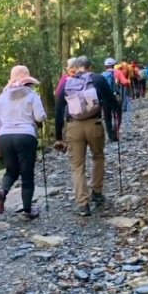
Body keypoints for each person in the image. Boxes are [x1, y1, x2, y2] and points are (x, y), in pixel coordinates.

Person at [54, 54, 119, 216]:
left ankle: (83, 204)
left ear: (75, 68)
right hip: (94, 124)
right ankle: (96, 192)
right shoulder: (97, 79)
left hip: (73, 127)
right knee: (98, 156)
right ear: (90, 67)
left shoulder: (66, 82)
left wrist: (58, 136)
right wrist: (117, 123)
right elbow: (112, 102)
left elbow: (58, 109)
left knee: (77, 166)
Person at [0, 65, 47, 219]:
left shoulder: (2, 98)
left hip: (5, 137)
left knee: (11, 171)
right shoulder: (32, 95)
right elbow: (40, 117)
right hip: (25, 136)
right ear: (27, 80)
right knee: (27, 174)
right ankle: (27, 210)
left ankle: (3, 192)